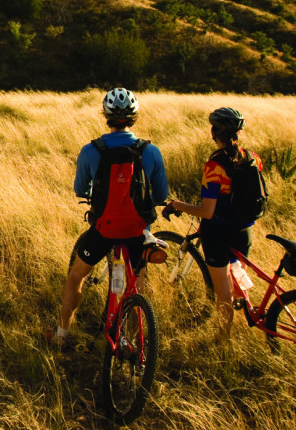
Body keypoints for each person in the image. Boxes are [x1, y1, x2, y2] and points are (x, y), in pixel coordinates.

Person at [50, 88, 170, 348]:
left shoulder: (91, 150)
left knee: (76, 276)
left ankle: (62, 334)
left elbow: (80, 189)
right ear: (134, 117)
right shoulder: (151, 151)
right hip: (138, 231)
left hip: (104, 230)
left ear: (106, 115)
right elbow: (162, 195)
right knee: (138, 284)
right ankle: (133, 341)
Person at [162, 106, 260, 341]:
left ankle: (223, 338)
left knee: (223, 292)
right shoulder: (253, 158)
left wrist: (177, 205)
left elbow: (207, 211)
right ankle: (246, 322)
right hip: (244, 229)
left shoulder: (214, 166)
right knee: (238, 280)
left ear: (214, 132)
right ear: (238, 132)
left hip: (218, 233)